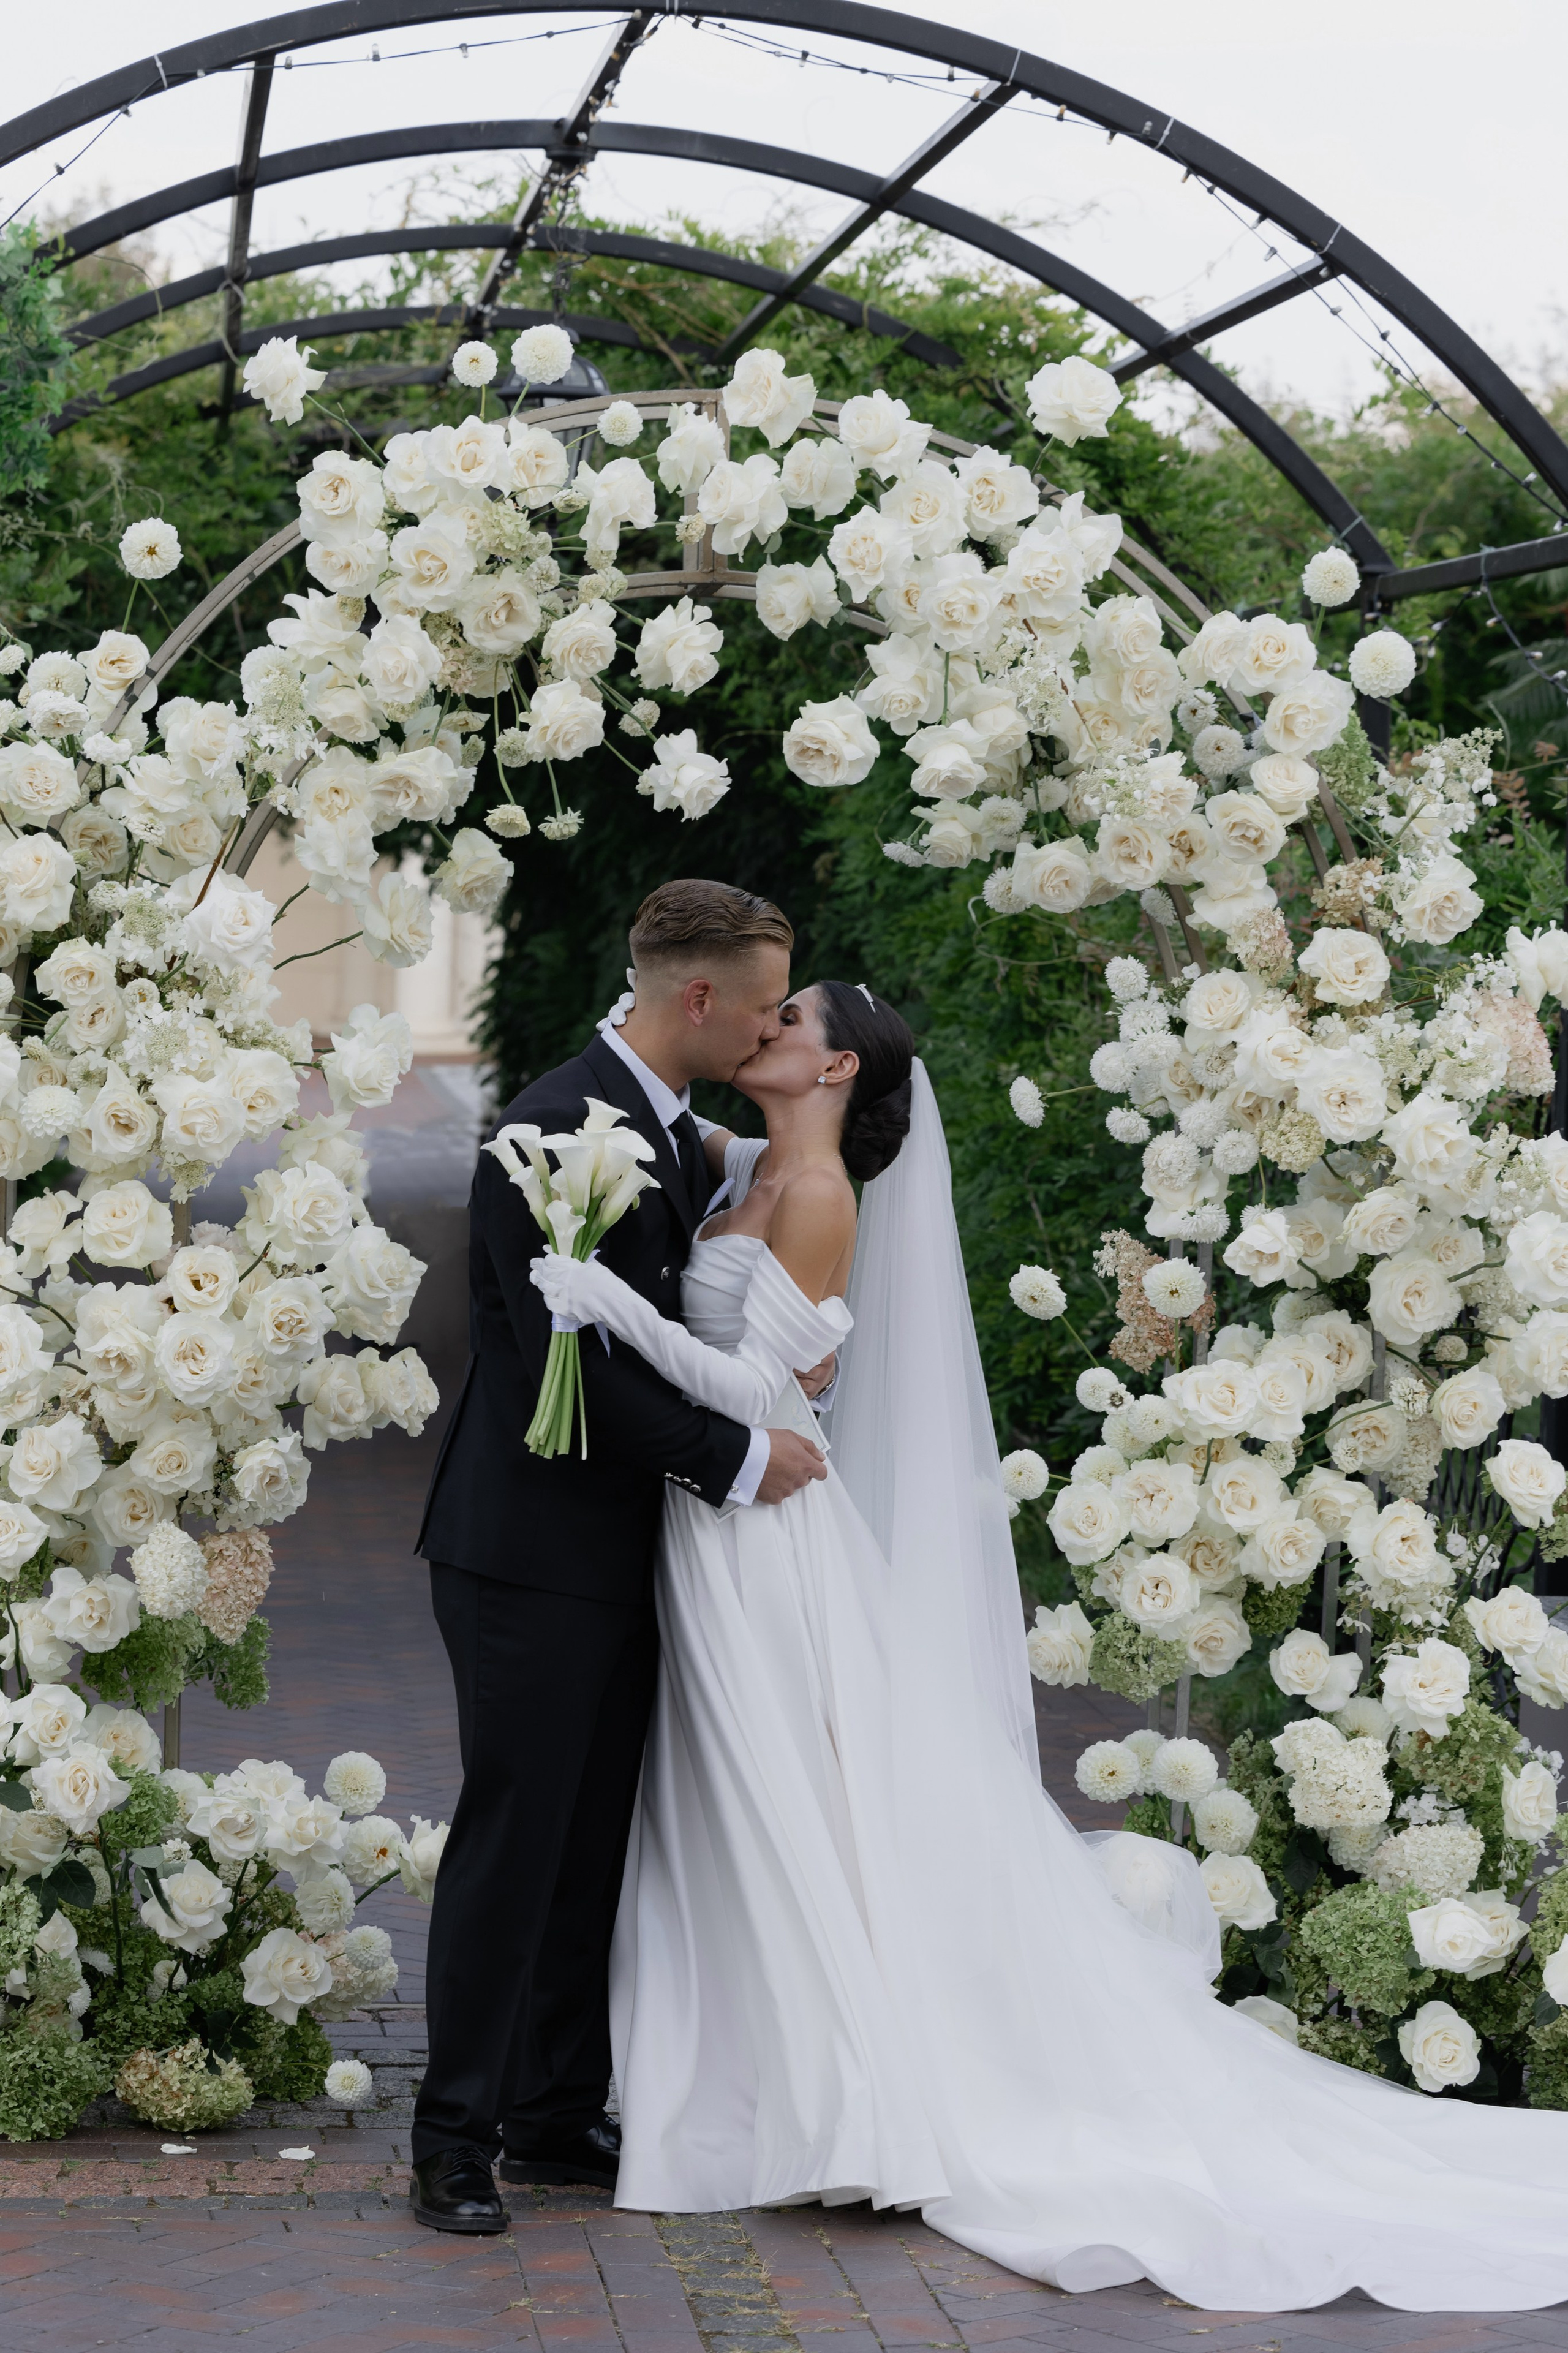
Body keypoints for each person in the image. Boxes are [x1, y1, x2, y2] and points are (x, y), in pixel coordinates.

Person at [532, 978, 1568, 2316]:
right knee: (742, 1810)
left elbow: (764, 1393)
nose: (763, 1029)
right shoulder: (739, 1164)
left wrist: (611, 1312)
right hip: (714, 1528)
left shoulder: (819, 1197)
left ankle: (827, 2094)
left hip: (763, 1539)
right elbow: (665, 1128)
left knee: (785, 1796)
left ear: (838, 1063)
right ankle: (749, 2083)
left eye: (786, 1020)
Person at [408, 880, 829, 2235]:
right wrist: (734, 1458)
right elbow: (562, 1364)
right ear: (697, 998)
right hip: (525, 1552)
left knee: (592, 1838)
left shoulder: (666, 1128)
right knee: (516, 1836)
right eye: (763, 1003)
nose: (772, 1022)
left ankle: (548, 2108)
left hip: (630, 1550)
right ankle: (451, 2139)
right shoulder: (548, 1129)